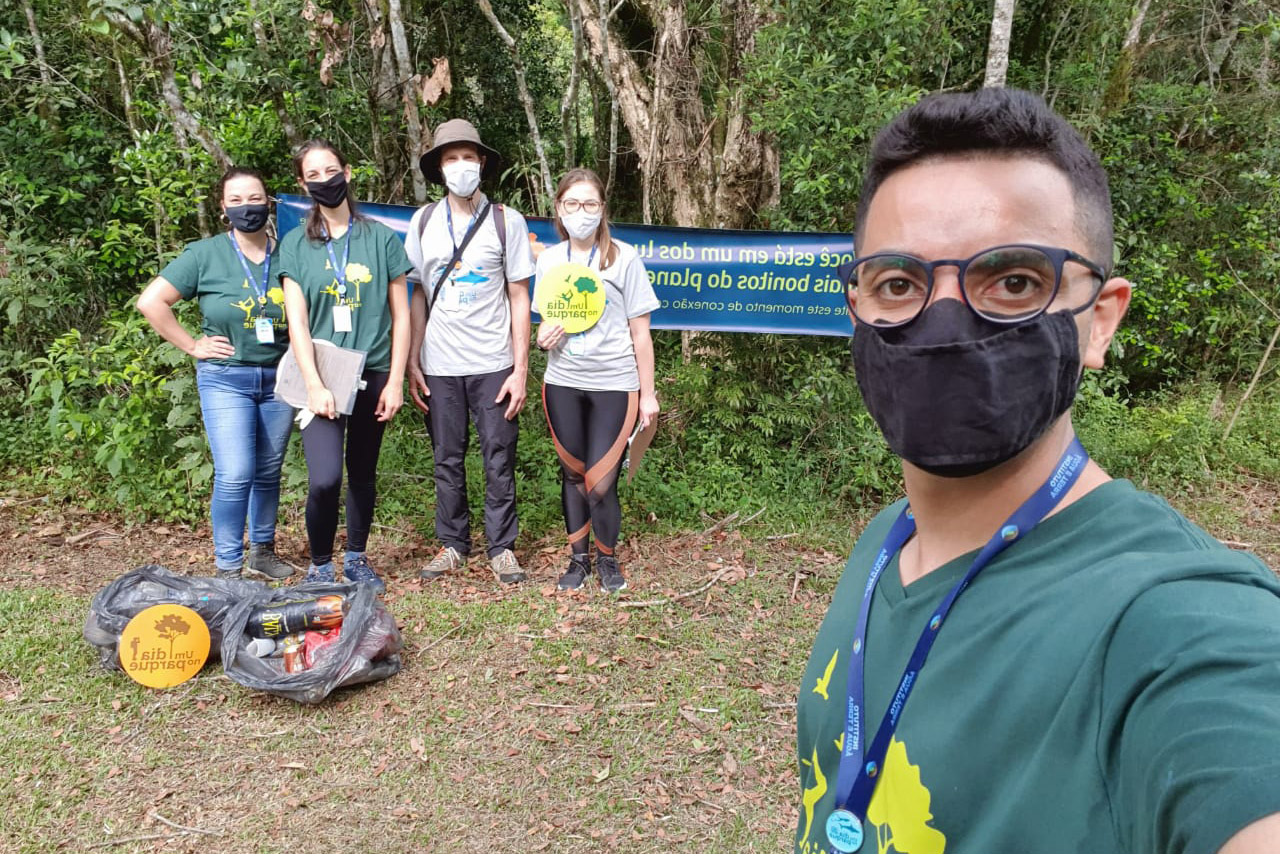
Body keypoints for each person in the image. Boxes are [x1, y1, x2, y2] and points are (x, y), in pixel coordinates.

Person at [796, 88, 1280, 854]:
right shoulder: (885, 542)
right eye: (898, 283)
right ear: (856, 306)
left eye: (1014, 282)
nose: (944, 320)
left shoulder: (1174, 622)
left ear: (1102, 318)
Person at [137, 167, 295, 582]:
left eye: (255, 198)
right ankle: (228, 565)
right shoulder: (204, 254)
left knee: (268, 469)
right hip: (226, 377)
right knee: (235, 471)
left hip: (279, 380)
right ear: (224, 207)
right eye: (237, 200)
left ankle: (262, 549)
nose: (248, 208)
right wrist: (192, 345)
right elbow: (152, 302)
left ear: (269, 202)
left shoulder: (289, 253)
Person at [278, 139, 413, 592]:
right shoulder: (296, 244)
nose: (324, 181)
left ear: (348, 172)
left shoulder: (380, 237)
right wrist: (314, 385)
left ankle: (356, 557)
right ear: (302, 184)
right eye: (312, 175)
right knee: (325, 478)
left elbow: (402, 314)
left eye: (330, 170)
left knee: (362, 471)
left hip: (372, 372)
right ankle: (320, 565)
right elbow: (296, 322)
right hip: (321, 377)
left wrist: (395, 381)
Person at [405, 119, 535, 585]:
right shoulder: (422, 223)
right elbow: (418, 295)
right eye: (450, 158)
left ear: (481, 163)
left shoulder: (507, 221)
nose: (460, 166)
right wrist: (413, 360)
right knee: (447, 456)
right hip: (440, 365)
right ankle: (452, 543)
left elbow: (520, 296)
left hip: (494, 363)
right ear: (439, 169)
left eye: (468, 157)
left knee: (499, 455)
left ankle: (502, 547)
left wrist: (521, 369)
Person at [533, 168, 659, 593]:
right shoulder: (549, 261)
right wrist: (542, 336)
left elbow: (641, 332)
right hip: (563, 381)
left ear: (602, 209)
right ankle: (577, 561)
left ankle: (607, 559)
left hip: (615, 384)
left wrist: (649, 395)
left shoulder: (624, 258)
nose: (580, 212)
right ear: (559, 209)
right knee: (572, 474)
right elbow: (545, 325)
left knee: (601, 481)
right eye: (572, 204)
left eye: (589, 204)